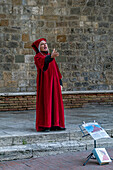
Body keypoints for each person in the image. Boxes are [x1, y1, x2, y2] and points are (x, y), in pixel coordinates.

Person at [32, 38, 65, 132]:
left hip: (54, 84)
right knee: (46, 103)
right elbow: (44, 63)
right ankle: (45, 125)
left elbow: (57, 71)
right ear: (39, 47)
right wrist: (51, 57)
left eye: (46, 44)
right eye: (42, 44)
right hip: (45, 85)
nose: (45, 45)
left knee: (56, 103)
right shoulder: (38, 57)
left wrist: (60, 83)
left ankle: (56, 124)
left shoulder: (51, 58)